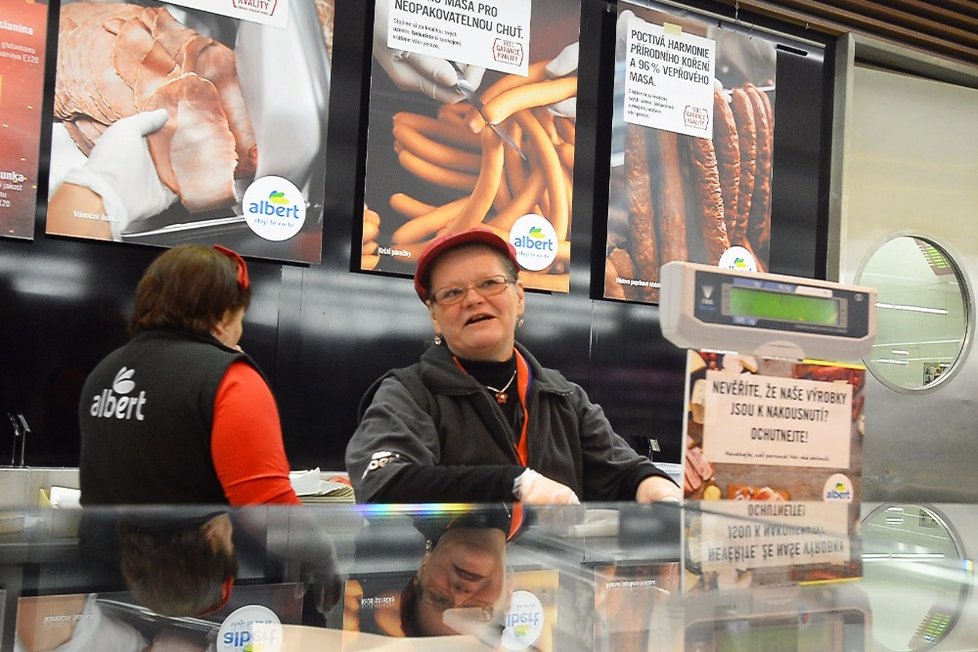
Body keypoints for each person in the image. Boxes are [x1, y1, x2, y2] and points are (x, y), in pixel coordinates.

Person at [346, 228, 682, 505]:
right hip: (447, 581)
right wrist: (514, 483)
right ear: (434, 316)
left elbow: (625, 471)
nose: (474, 299)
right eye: (451, 293)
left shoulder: (563, 397)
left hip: (558, 583)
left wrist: (659, 490)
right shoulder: (407, 394)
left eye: (491, 284)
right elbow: (380, 483)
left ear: (519, 296)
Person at [78, 244, 300, 506]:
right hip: (196, 548)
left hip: (100, 547)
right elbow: (270, 511)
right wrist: (324, 548)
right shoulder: (233, 380)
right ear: (223, 317)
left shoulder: (105, 371)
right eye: (240, 319)